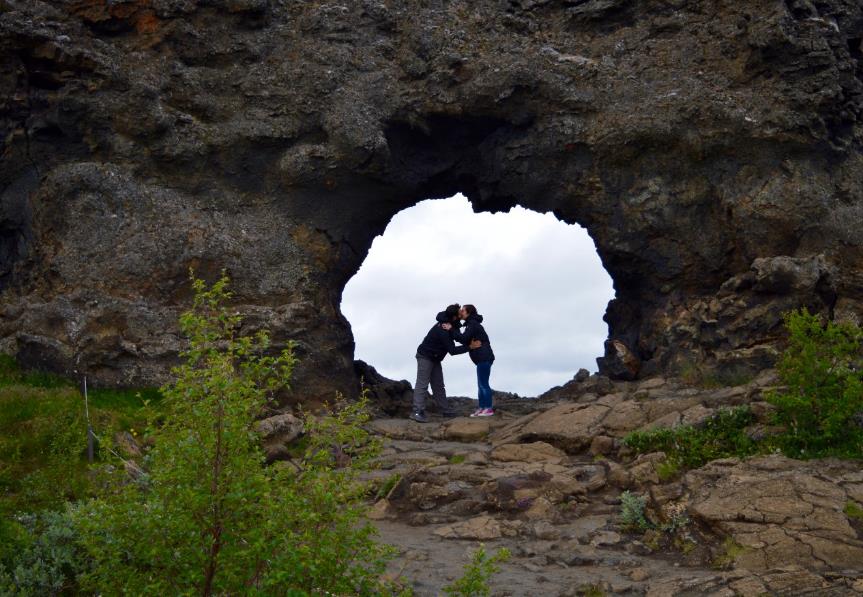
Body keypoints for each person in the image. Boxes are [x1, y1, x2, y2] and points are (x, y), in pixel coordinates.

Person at [411, 304, 475, 423]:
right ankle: (417, 411)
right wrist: (469, 347)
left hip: (435, 358)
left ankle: (445, 410)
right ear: (454, 317)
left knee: (438, 385)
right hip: (425, 356)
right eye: (459, 312)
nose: (461, 312)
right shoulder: (443, 329)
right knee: (422, 383)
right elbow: (452, 350)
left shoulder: (451, 324)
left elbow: (459, 337)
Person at [451, 304, 495, 417]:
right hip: (481, 358)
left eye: (463, 311)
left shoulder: (472, 324)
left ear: (469, 313)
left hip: (484, 356)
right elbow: (465, 340)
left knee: (483, 384)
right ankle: (482, 408)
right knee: (480, 384)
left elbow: (464, 338)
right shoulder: (471, 324)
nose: (461, 312)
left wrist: (451, 329)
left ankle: (488, 408)